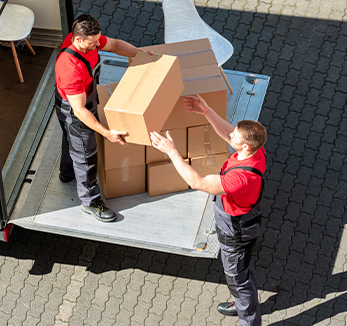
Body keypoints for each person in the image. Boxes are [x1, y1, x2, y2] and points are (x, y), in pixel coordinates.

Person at [149, 94, 268, 326]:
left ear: (245, 146)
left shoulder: (240, 178)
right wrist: (206, 111)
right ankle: (244, 301)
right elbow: (227, 134)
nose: (230, 133)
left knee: (237, 279)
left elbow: (199, 183)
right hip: (242, 223)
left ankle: (249, 319)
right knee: (242, 270)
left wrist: (171, 151)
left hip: (236, 231)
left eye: (236, 135)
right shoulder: (256, 151)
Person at [54, 14, 151, 222]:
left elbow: (114, 44)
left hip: (78, 100)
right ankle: (90, 201)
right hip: (75, 110)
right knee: (86, 155)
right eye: (94, 42)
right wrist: (106, 133)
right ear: (78, 40)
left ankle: (67, 173)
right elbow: (80, 111)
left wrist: (140, 54)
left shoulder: (86, 39)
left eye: (98, 39)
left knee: (70, 141)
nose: (99, 44)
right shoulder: (70, 67)